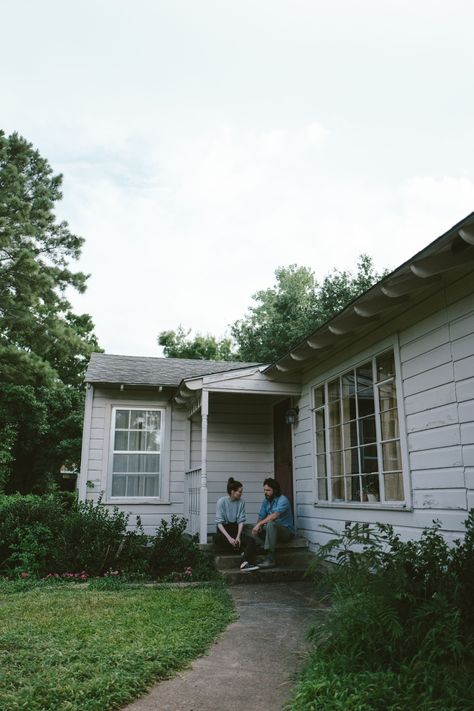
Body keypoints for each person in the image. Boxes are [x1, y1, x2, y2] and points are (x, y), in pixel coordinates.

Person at [215, 477, 259, 571]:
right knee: (217, 539)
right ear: (232, 491)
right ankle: (244, 555)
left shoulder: (241, 502)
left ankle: (244, 562)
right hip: (224, 530)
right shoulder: (221, 502)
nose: (241, 494)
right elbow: (219, 523)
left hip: (235, 529)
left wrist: (238, 537)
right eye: (239, 491)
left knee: (251, 541)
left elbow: (240, 521)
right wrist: (229, 538)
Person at [251, 477, 294, 568]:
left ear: (275, 490)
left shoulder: (283, 500)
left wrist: (260, 524)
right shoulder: (266, 501)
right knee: (247, 527)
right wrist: (257, 526)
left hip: (285, 532)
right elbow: (261, 517)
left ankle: (270, 559)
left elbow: (274, 516)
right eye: (264, 490)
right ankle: (254, 554)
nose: (265, 492)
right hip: (270, 530)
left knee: (271, 523)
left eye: (268, 490)